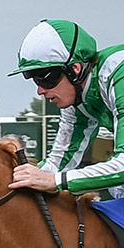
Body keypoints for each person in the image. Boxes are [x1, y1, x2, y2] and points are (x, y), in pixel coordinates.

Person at [7, 20, 124, 199]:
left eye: (46, 79)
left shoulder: (117, 74)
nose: (40, 90)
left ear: (74, 69)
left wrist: (56, 181)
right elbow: (57, 164)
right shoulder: (76, 95)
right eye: (35, 80)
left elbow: (53, 179)